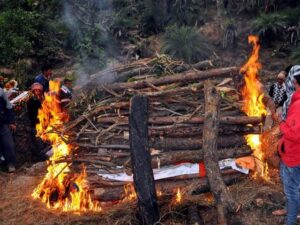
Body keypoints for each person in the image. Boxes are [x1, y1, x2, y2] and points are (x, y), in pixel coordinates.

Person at [277, 72, 300, 225]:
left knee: (291, 191)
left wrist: (282, 124)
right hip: (293, 154)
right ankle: (291, 210)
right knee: (295, 187)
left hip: (293, 156)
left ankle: (290, 221)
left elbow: (295, 134)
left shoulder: (299, 104)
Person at [27, 82, 47, 162]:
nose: (37, 92)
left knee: (47, 141)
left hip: (45, 124)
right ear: (32, 92)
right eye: (35, 90)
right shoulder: (31, 101)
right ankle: (42, 159)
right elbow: (33, 115)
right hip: (36, 125)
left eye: (39, 90)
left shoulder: (44, 98)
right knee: (39, 142)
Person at [0, 86, 16, 172]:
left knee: (9, 144)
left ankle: (11, 164)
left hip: (2, 123)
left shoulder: (1, 92)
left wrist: (12, 122)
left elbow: (8, 107)